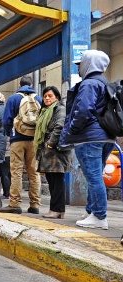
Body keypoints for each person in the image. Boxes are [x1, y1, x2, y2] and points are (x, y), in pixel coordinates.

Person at [60, 50, 115, 229]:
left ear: (89, 63)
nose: (78, 67)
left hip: (89, 137)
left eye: (80, 63)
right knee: (96, 176)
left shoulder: (89, 84)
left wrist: (74, 129)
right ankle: (93, 211)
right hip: (105, 136)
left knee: (92, 177)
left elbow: (83, 111)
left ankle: (99, 216)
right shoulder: (104, 83)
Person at [0, 75, 42, 214]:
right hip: (34, 140)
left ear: (20, 84)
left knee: (16, 171)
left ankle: (15, 203)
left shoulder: (13, 98)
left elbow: (6, 120)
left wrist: (10, 133)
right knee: (34, 172)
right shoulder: (38, 99)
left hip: (17, 139)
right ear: (31, 85)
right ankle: (35, 205)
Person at [34, 86, 73, 219]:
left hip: (56, 151)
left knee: (57, 181)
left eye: (50, 96)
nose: (47, 98)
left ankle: (56, 209)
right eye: (45, 96)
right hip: (49, 152)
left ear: (56, 97)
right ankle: (57, 210)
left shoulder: (59, 109)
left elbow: (59, 126)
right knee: (53, 181)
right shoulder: (45, 111)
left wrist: (50, 143)